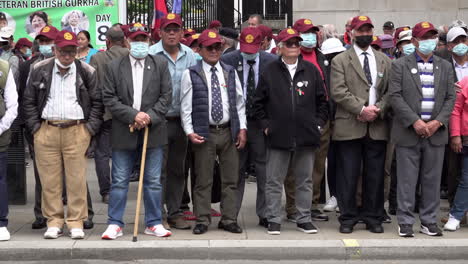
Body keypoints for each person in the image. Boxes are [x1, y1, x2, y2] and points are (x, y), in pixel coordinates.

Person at [23, 30, 103, 239]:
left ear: (76, 50)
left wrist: (89, 130)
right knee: (49, 180)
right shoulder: (38, 69)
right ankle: (54, 221)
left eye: (71, 51)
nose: (67, 56)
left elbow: (97, 103)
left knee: (77, 179)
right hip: (46, 130)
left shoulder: (87, 71)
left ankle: (76, 221)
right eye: (63, 51)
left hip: (76, 130)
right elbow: (29, 101)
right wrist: (36, 128)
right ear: (54, 50)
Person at [253, 27, 328, 235]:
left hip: (306, 135)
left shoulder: (311, 70)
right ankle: (274, 219)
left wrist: (318, 124)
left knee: (305, 180)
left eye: (296, 43)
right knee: (274, 180)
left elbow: (323, 101)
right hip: (278, 135)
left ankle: (304, 218)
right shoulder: (269, 72)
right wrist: (267, 126)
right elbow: (258, 104)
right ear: (281, 47)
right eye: (289, 44)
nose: (294, 47)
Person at [101, 23, 172, 240]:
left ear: (149, 41)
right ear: (127, 42)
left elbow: (166, 96)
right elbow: (109, 98)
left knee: (152, 179)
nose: (139, 43)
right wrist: (133, 115)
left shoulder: (159, 64)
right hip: (124, 129)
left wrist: (149, 116)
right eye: (135, 39)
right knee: (120, 179)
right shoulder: (114, 66)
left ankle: (153, 222)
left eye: (143, 39)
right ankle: (115, 223)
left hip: (153, 129)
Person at [389, 21, 455, 237]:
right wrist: (415, 121)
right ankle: (406, 221)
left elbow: (450, 97)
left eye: (433, 36)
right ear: (415, 41)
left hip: (436, 132)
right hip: (409, 131)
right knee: (407, 180)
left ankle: (428, 221)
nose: (430, 41)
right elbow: (395, 96)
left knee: (432, 180)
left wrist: (437, 122)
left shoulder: (445, 65)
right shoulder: (400, 65)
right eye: (425, 37)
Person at [180, 29, 247, 235]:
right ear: (199, 50)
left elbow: (239, 103)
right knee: (203, 179)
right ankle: (202, 219)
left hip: (228, 131)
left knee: (230, 179)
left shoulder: (230, 71)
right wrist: (189, 131)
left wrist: (242, 128)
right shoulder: (190, 73)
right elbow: (185, 107)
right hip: (204, 132)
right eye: (209, 47)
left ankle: (229, 219)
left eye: (218, 46)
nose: (214, 51)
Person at [330, 15, 392, 234]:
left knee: (375, 175)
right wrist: (361, 109)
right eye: (360, 30)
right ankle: (347, 218)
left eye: (368, 30)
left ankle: (373, 216)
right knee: (348, 173)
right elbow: (338, 91)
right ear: (352, 33)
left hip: (377, 125)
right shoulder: (340, 60)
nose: (365, 34)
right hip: (350, 125)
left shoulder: (384, 59)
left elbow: (390, 92)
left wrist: (378, 109)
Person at [221, 27, 277, 227]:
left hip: (260, 123)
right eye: (245, 48)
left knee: (264, 170)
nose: (248, 53)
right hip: (236, 122)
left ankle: (265, 214)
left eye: (253, 49)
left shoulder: (271, 62)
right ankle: (230, 216)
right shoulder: (228, 60)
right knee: (235, 170)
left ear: (262, 44)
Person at [148, 13, 197, 230]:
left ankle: (176, 211)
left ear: (181, 32)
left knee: (178, 170)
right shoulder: (151, 54)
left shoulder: (190, 55)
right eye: (167, 29)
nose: (171, 33)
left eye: (175, 29)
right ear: (160, 33)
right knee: (157, 171)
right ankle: (157, 215)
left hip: (182, 121)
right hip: (157, 121)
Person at [285, 18, 330, 223]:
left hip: (318, 119)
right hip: (295, 120)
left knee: (317, 165)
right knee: (294, 167)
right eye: (305, 33)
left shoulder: (322, 57)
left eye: (313, 32)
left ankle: (312, 204)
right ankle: (293, 206)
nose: (310, 36)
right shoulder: (290, 58)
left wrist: (323, 118)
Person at [89, 28, 129, 204]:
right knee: (124, 152)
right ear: (123, 40)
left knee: (102, 154)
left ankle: (106, 191)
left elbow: (93, 86)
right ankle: (121, 188)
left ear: (108, 40)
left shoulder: (98, 58)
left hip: (104, 113)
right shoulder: (131, 55)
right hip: (127, 113)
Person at [440, 27, 468, 227]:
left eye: (464, 40)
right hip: (449, 124)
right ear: (449, 46)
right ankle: (454, 210)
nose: (461, 44)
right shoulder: (443, 66)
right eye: (456, 41)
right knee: (453, 170)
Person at [320, 38, 346, 213]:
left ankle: (344, 196)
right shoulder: (324, 69)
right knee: (332, 159)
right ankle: (335, 194)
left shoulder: (345, 67)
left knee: (345, 160)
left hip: (345, 119)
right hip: (328, 119)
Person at [446, 74, 468, 231]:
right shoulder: (465, 82)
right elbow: (455, 110)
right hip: (467, 136)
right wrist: (455, 135)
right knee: (466, 179)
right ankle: (456, 215)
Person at [0, 58, 19, 241]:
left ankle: (1, 223)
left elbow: (12, 106)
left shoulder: (4, 68)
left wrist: (0, 127)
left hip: (0, 135)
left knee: (0, 180)